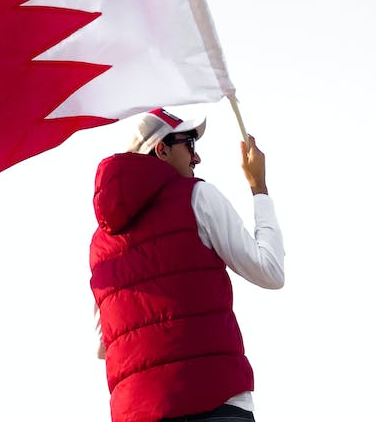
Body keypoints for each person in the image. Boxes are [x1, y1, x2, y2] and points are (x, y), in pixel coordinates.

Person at [89, 107, 285, 422]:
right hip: (215, 401)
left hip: (136, 411)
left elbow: (104, 345)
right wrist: (259, 189)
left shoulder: (100, 243)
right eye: (189, 144)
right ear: (162, 150)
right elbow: (270, 271)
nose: (197, 158)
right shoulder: (197, 197)